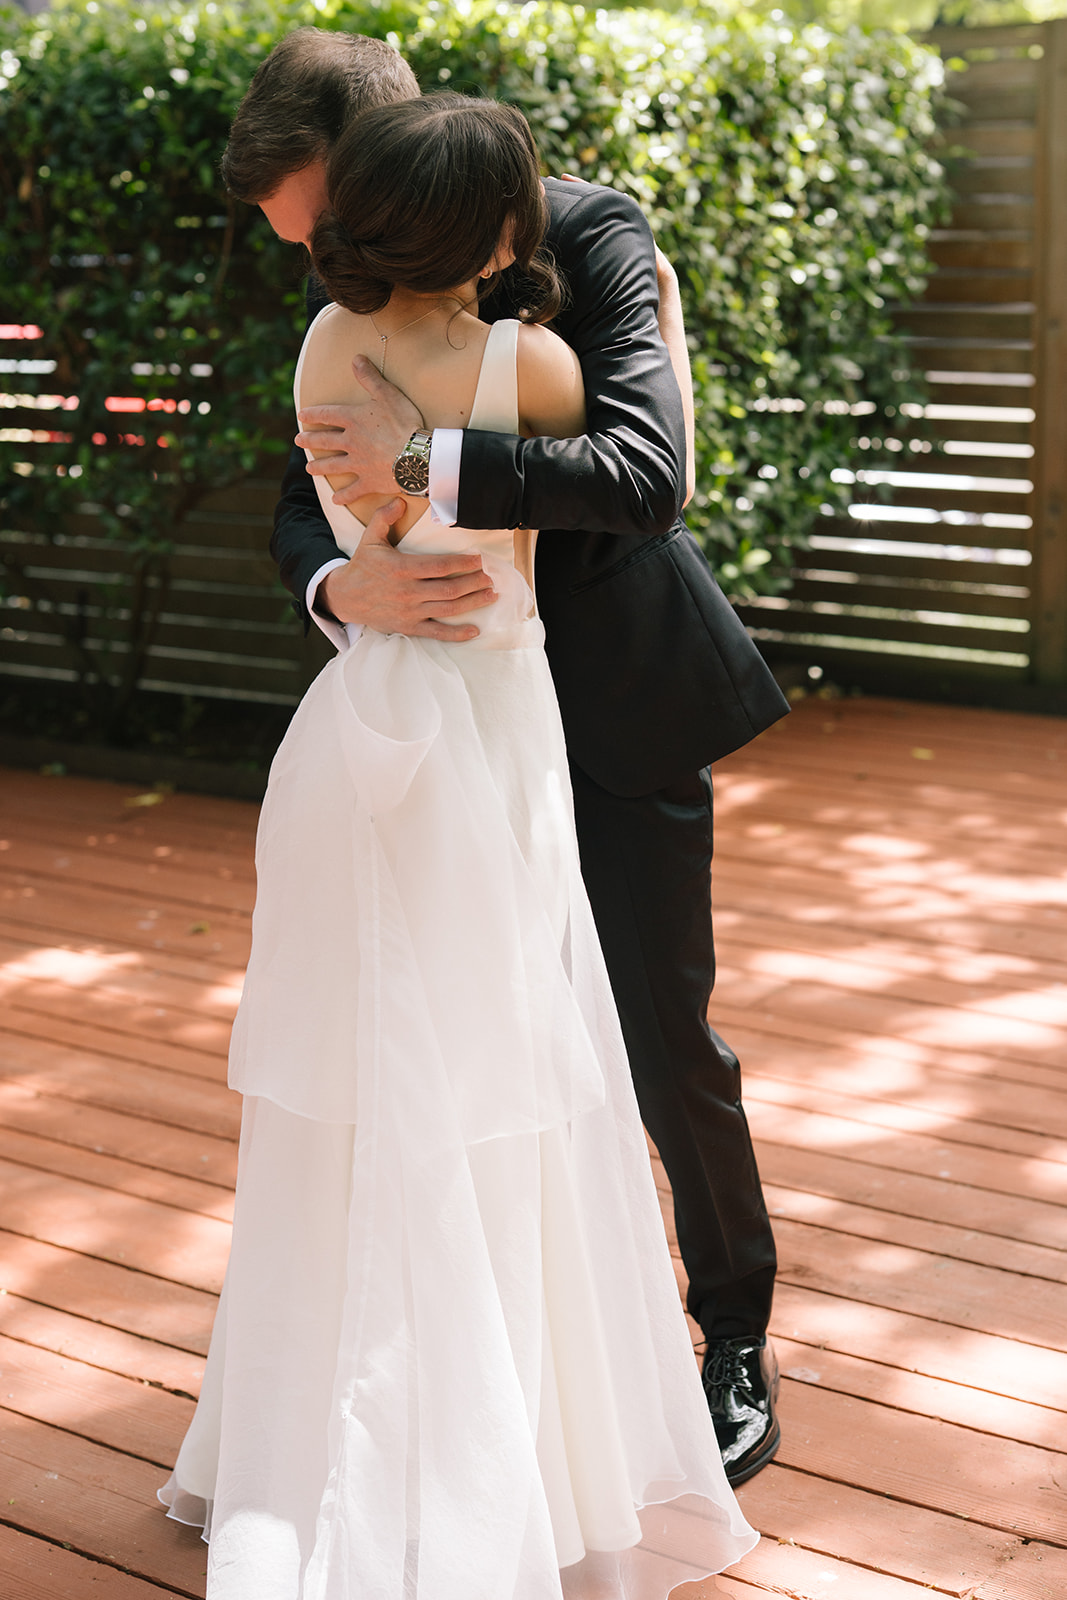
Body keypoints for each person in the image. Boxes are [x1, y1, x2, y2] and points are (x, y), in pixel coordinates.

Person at [159, 92, 759, 1599]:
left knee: (653, 1034)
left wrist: (426, 467)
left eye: (324, 225)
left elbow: (647, 473)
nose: (320, 263)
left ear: (377, 173)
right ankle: (487, 1394)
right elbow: (307, 510)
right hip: (439, 707)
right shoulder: (408, 327)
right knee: (439, 1058)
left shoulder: (601, 245)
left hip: (598, 709)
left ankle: (732, 1331)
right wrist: (340, 588)